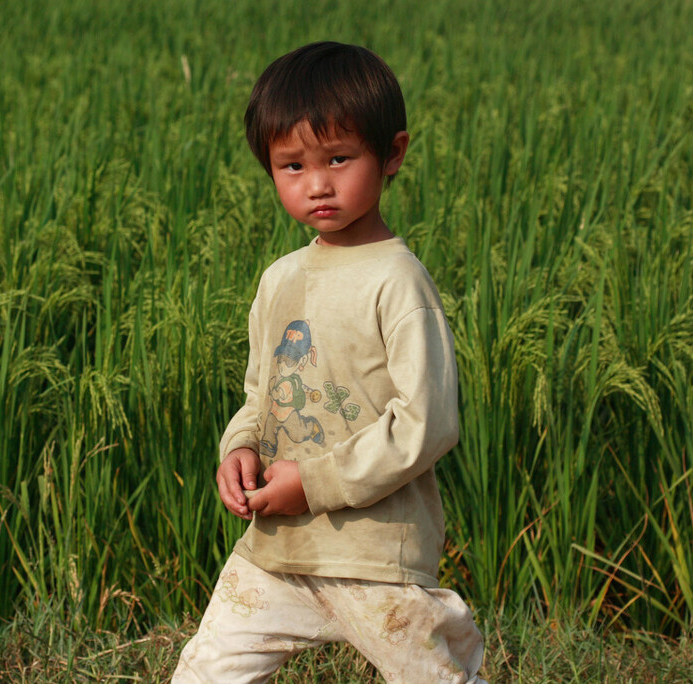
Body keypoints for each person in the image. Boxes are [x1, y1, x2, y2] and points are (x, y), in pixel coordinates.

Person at [172, 42, 487, 683]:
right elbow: (261, 394)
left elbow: (427, 422)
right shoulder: (278, 279)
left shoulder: (398, 281)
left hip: (374, 558)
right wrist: (241, 448)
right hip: (276, 551)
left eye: (339, 159)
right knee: (205, 673)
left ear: (392, 153)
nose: (317, 183)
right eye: (291, 166)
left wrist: (311, 484)